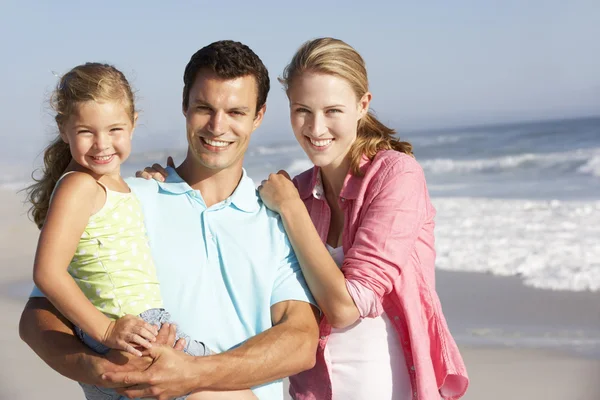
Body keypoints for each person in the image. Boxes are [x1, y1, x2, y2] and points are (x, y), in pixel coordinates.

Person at [19, 41, 319, 400]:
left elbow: (300, 342)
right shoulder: (129, 199)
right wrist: (97, 369)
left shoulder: (275, 220)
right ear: (184, 106)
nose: (217, 126)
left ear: (258, 116)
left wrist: (191, 374)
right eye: (204, 108)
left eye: (236, 112)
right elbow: (38, 318)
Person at [258, 37, 470, 399]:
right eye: (302, 110)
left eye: (333, 111)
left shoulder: (396, 176)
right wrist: (169, 182)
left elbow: (345, 308)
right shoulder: (299, 191)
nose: (316, 127)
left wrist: (291, 208)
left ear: (362, 104)